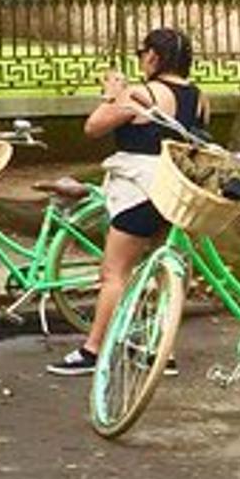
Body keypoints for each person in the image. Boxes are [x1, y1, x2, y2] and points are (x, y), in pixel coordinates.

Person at [47, 27, 204, 377]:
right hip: (177, 189)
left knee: (114, 273)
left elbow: (94, 127)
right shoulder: (197, 96)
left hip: (140, 190)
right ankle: (162, 351)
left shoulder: (142, 93)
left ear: (153, 57)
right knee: (166, 271)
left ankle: (94, 349)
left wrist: (111, 95)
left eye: (142, 54)